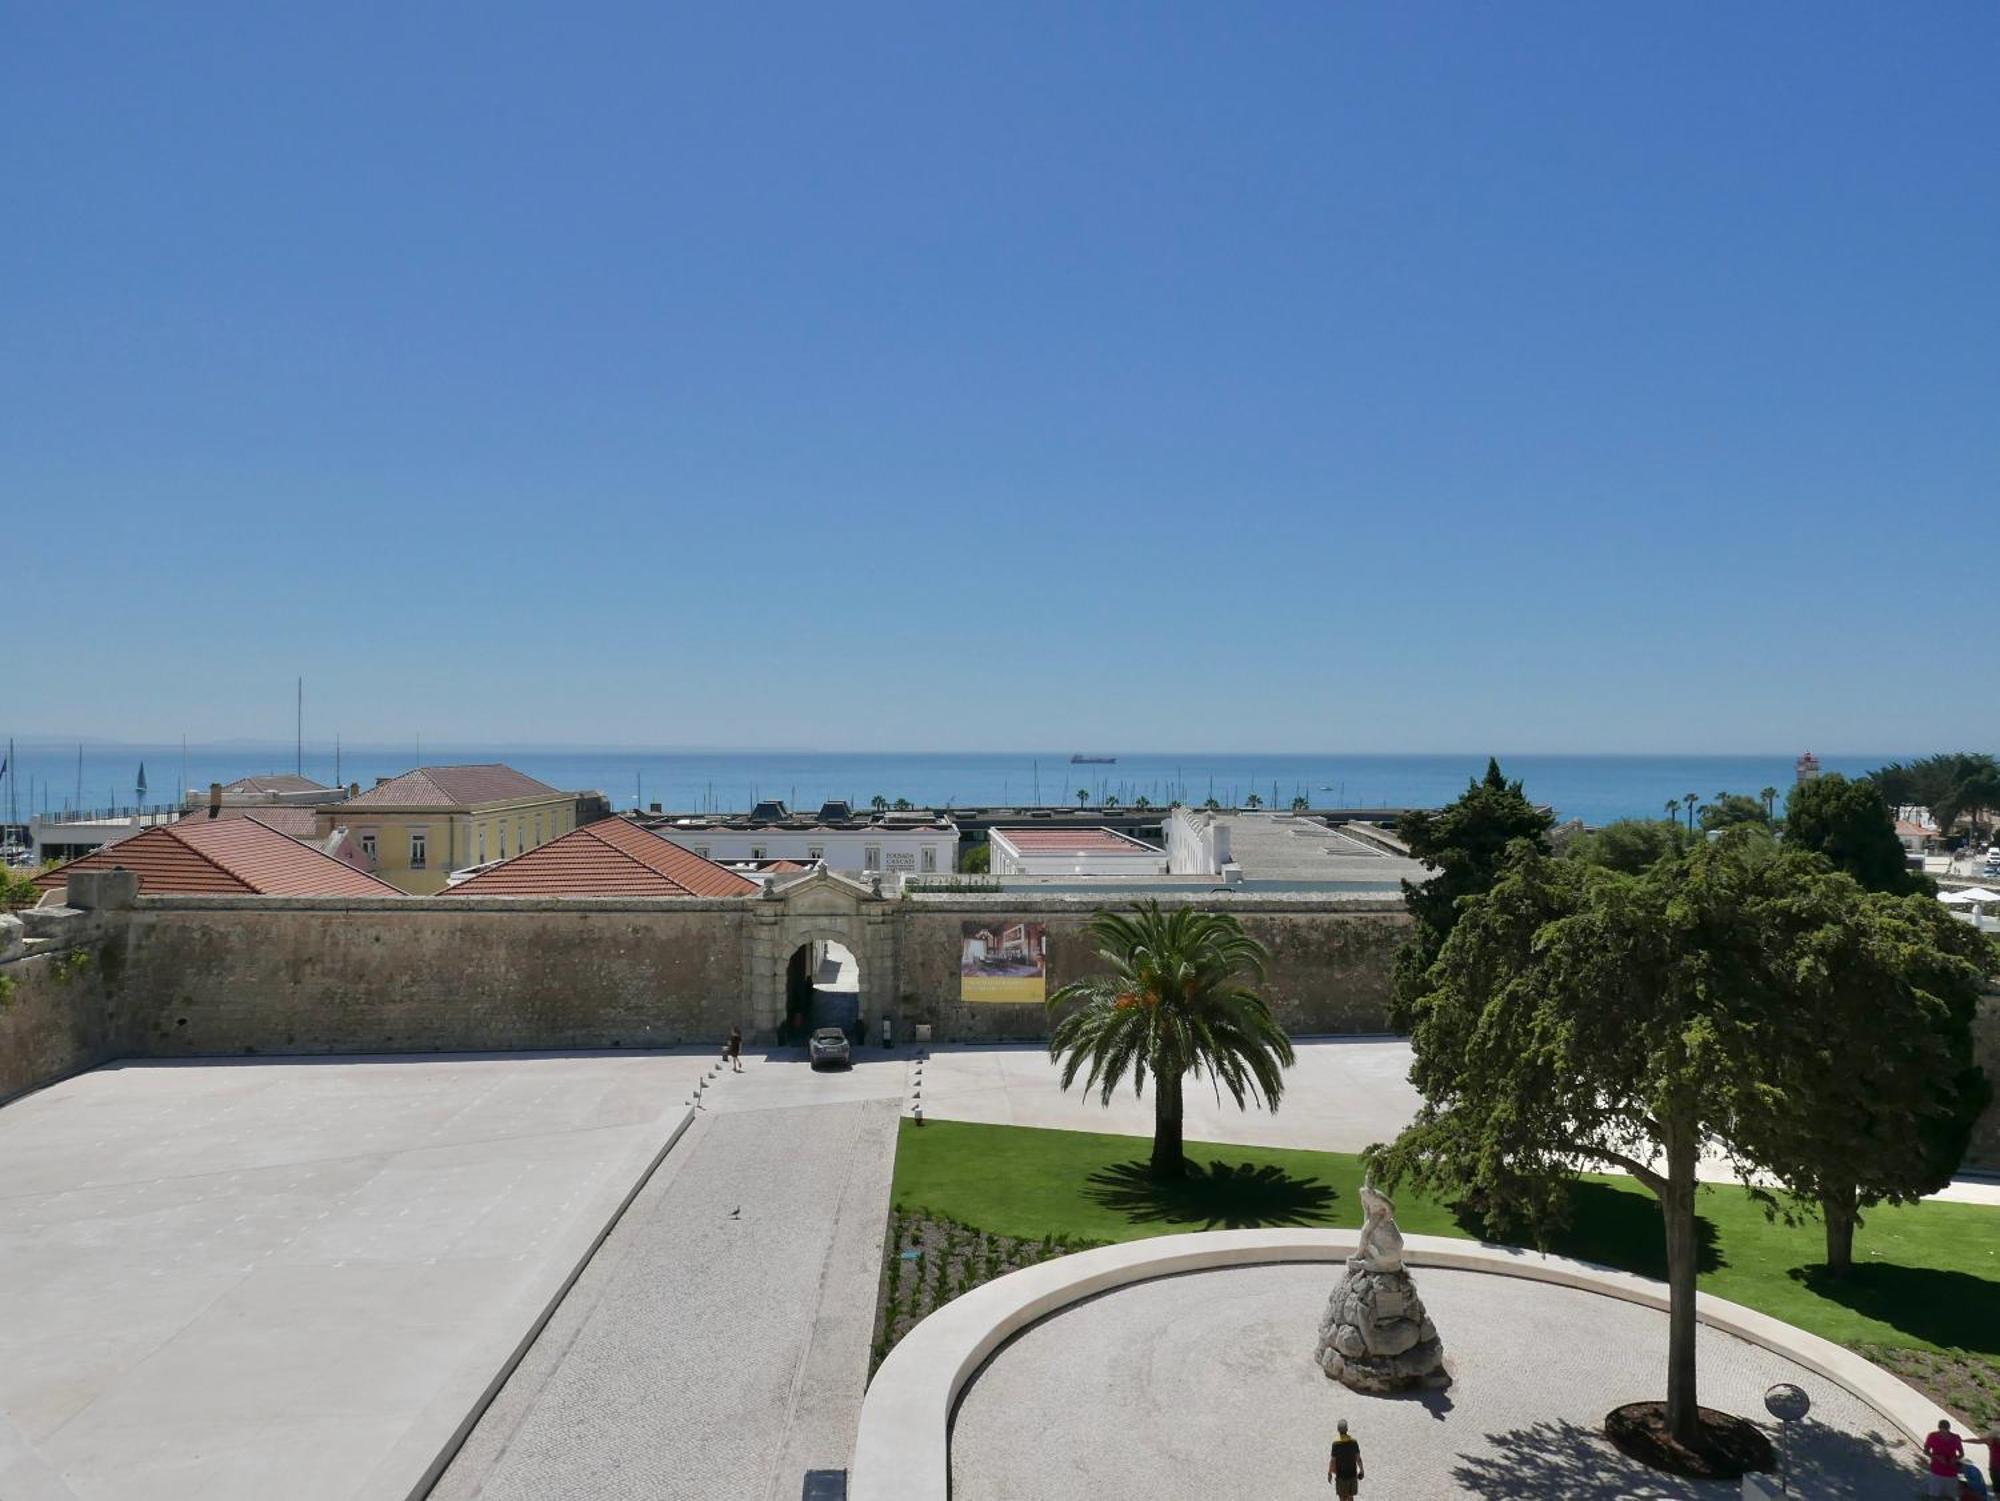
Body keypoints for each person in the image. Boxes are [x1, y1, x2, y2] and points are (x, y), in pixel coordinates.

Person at [1925, 1419, 1965, 1498]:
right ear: (1939, 1429)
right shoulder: (1932, 1436)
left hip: (1951, 1471)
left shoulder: (1955, 1438)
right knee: (1934, 1495)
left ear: (1949, 1429)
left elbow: (1961, 1454)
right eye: (1942, 1431)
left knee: (1950, 1496)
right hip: (1937, 1470)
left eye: (1945, 1431)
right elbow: (1926, 1451)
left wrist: (1955, 1459)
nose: (1943, 1433)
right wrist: (1936, 1457)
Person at [1328, 1418, 1363, 1497]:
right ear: (1347, 1429)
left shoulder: (1336, 1444)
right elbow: (1358, 1458)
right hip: (1352, 1475)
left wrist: (1329, 1473)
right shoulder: (1354, 1442)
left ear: (1338, 1430)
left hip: (1341, 1476)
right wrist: (1361, 1470)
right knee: (1351, 1497)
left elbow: (1333, 1461)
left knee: (1342, 1497)